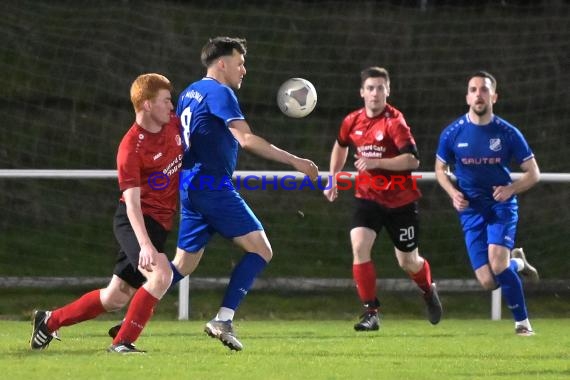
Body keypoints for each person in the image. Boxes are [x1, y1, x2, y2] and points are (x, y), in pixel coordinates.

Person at [167, 36, 318, 351]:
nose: (244, 70)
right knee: (261, 249)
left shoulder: (188, 93)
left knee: (182, 265)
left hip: (190, 186)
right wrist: (294, 160)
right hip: (212, 186)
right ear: (222, 64)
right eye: (240, 63)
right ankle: (223, 318)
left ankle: (125, 302)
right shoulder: (220, 92)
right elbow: (246, 140)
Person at [30, 73, 183, 353]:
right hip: (135, 221)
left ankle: (50, 321)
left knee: (115, 297)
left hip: (160, 223)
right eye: (166, 101)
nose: (171, 106)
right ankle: (122, 343)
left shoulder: (174, 125)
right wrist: (146, 244)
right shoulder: (130, 148)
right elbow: (133, 204)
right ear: (147, 105)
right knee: (161, 275)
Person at [323, 66, 442, 331]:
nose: (375, 93)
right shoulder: (352, 121)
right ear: (362, 92)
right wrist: (333, 177)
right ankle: (370, 312)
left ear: (388, 91)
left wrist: (377, 161)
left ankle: (427, 289)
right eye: (370, 88)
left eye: (380, 88)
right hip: (368, 198)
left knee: (408, 261)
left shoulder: (394, 122)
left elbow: (412, 159)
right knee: (359, 245)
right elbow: (340, 145)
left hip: (401, 201)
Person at [435, 70, 540, 336]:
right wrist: (452, 192)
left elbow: (533, 173)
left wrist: (510, 189)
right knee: (487, 281)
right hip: (470, 210)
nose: (478, 94)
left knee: (497, 263)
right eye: (473, 89)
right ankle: (518, 262)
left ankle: (523, 324)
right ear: (467, 96)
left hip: (500, 206)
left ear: (494, 96)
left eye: (484, 90)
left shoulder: (507, 133)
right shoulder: (453, 133)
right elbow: (439, 168)